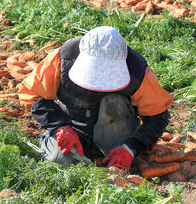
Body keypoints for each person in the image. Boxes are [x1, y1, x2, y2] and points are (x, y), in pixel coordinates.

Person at [18, 26, 173, 170]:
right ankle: (60, 140)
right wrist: (60, 127)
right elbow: (33, 97)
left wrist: (131, 148)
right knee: (57, 162)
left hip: (116, 133)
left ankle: (116, 152)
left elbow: (158, 116)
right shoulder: (64, 58)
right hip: (72, 127)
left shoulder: (137, 71)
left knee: (112, 103)